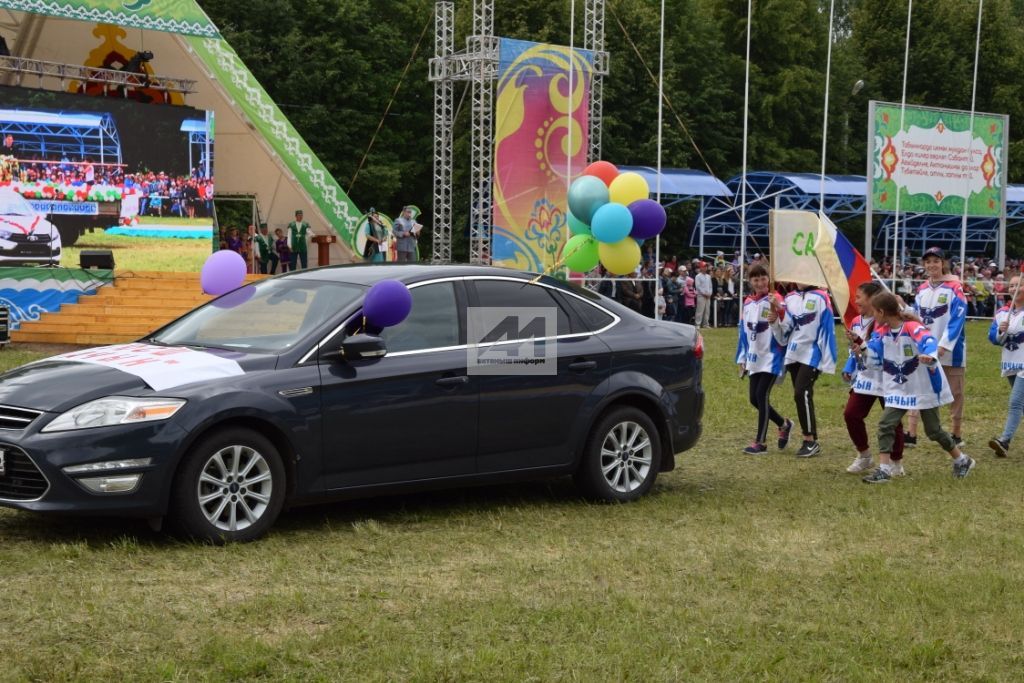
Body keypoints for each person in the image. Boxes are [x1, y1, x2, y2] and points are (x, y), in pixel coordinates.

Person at [861, 291, 976, 483]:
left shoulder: (912, 327)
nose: (873, 316)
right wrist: (862, 349)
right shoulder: (882, 332)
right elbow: (874, 359)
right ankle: (884, 470)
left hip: (923, 385)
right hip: (900, 386)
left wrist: (929, 356)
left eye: (874, 312)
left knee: (933, 431)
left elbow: (929, 341)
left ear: (881, 312)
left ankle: (962, 459)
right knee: (886, 424)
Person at [906, 247, 967, 447]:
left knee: (955, 393)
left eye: (936, 261)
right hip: (924, 347)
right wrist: (902, 308)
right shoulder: (922, 289)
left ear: (943, 263)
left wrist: (943, 346)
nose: (932, 265)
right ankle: (911, 434)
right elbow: (916, 316)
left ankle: (956, 434)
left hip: (951, 351)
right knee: (919, 387)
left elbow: (958, 318)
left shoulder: (954, 288)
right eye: (928, 261)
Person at [842, 282, 906, 474]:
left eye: (859, 297)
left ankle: (896, 463)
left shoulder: (885, 320)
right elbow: (853, 351)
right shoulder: (854, 322)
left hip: (887, 376)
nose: (856, 301)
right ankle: (864, 455)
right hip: (866, 378)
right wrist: (849, 367)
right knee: (851, 414)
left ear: (872, 299)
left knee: (892, 421)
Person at [769, 282, 838, 457]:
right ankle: (810, 437)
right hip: (794, 353)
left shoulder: (821, 296)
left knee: (801, 393)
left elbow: (827, 327)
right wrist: (777, 315)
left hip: (813, 353)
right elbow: (787, 327)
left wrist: (828, 357)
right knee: (802, 395)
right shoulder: (790, 298)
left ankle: (809, 440)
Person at [735, 264, 793, 455]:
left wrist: (778, 310)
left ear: (769, 279)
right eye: (755, 279)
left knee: (761, 395)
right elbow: (743, 331)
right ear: (750, 281)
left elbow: (788, 324)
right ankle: (784, 424)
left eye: (763, 278)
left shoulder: (776, 299)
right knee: (754, 399)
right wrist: (741, 357)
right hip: (754, 356)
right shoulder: (748, 302)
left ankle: (760, 442)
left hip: (772, 355)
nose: (760, 283)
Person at [988, 275, 1024, 457]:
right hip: (1010, 362)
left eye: (1018, 285)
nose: (1014, 289)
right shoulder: (1003, 312)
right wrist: (1000, 330)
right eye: (1011, 285)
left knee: (1016, 402)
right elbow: (993, 338)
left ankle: (1005, 441)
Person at [694, 262, 713, 328]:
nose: (705, 268)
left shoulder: (708, 276)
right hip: (701, 295)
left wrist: (710, 293)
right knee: (700, 310)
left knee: (707, 310)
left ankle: (705, 324)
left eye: (706, 267)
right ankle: (697, 324)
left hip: (708, 296)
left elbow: (710, 286)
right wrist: (704, 293)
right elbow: (698, 287)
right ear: (701, 268)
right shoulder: (698, 276)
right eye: (704, 266)